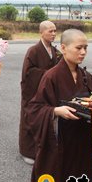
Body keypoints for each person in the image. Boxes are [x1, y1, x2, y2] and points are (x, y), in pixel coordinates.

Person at [25, 29, 92, 182]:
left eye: (85, 48)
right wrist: (55, 110)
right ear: (63, 48)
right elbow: (34, 109)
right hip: (60, 145)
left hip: (83, 144)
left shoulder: (86, 76)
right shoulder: (51, 76)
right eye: (78, 48)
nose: (83, 52)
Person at [19, 21, 59, 165]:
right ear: (41, 32)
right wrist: (48, 74)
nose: (54, 34)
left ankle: (43, 150)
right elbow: (28, 73)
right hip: (33, 91)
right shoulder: (33, 50)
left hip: (47, 92)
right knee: (30, 118)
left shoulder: (54, 50)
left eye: (55, 31)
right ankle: (27, 151)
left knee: (45, 119)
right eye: (50, 31)